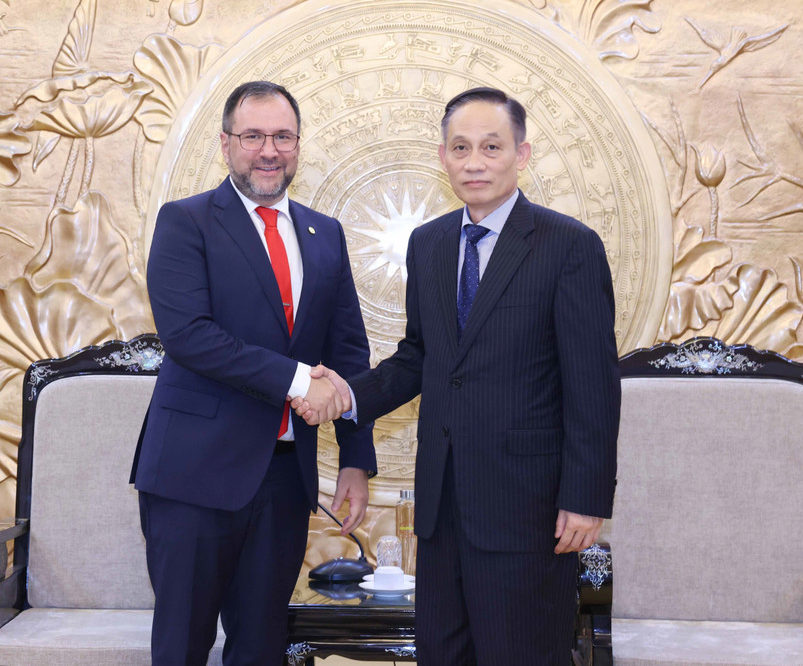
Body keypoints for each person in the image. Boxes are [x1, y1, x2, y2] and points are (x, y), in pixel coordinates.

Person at [293, 87, 620, 665]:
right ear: (442, 156)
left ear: (520, 154)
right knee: (443, 655)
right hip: (443, 508)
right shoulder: (431, 244)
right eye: (461, 147)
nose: (475, 162)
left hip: (531, 509)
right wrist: (344, 395)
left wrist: (586, 499)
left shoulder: (569, 245)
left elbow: (592, 385)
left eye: (491, 147)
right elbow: (420, 356)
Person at [130, 81, 376, 666]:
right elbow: (190, 336)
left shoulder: (325, 235)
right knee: (182, 646)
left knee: (263, 647)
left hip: (285, 481)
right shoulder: (185, 222)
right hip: (194, 477)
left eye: (282, 136)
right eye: (253, 136)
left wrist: (355, 460)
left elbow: (349, 353)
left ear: (298, 145)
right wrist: (298, 381)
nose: (269, 150)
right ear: (226, 144)